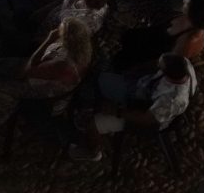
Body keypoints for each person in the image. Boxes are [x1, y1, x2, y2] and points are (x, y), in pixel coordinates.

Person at [69, 54, 197, 161]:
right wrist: (136, 70)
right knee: (101, 78)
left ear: (168, 76)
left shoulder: (171, 100)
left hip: (140, 113)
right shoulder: (182, 62)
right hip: (141, 93)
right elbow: (155, 63)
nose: (157, 65)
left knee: (91, 124)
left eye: (160, 67)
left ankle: (93, 152)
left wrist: (116, 111)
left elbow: (146, 119)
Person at [0, 18, 92, 128]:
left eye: (59, 30)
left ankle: (0, 118)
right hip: (50, 78)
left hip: (43, 92)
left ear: (66, 38)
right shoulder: (83, 53)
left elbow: (24, 72)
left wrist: (49, 39)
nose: (56, 31)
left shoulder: (61, 63)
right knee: (1, 64)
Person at [112, 0, 204, 72]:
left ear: (193, 13)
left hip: (148, 52)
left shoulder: (187, 40)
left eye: (188, 2)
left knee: (122, 60)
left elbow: (165, 62)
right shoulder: (186, 18)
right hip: (148, 37)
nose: (184, 0)